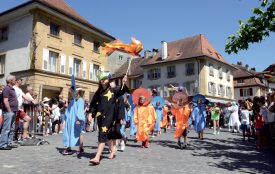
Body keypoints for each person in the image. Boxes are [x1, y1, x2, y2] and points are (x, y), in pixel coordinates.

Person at [89, 72, 129, 165]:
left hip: (110, 116)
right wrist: (91, 114)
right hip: (100, 117)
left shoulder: (114, 90)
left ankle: (97, 157)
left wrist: (124, 82)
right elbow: (93, 104)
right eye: (101, 78)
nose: (103, 80)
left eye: (105, 78)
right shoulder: (99, 92)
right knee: (107, 135)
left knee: (102, 135)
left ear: (109, 80)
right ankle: (112, 149)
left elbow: (121, 98)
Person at [63, 87, 85, 155]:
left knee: (79, 133)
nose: (70, 93)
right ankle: (68, 148)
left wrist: (78, 119)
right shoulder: (72, 100)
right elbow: (69, 110)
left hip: (76, 120)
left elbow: (80, 110)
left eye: (71, 91)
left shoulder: (80, 100)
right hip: (70, 120)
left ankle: (81, 148)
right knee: (69, 133)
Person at [0, 75, 18, 150]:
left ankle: (8, 142)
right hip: (8, 111)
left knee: (11, 128)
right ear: (10, 81)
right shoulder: (7, 88)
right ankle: (2, 144)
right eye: (14, 79)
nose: (15, 81)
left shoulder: (12, 89)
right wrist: (9, 110)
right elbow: (5, 100)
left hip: (13, 111)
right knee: (6, 128)